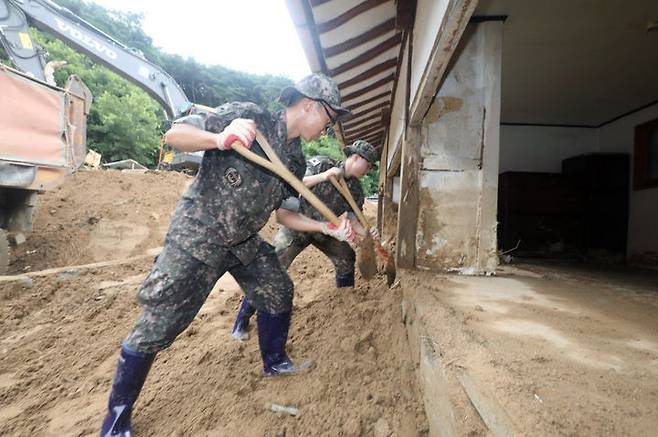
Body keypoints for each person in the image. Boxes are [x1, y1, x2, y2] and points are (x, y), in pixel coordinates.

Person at [100, 73, 354, 436]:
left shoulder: (295, 159)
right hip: (199, 236)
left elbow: (284, 214)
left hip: (244, 242)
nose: (326, 130)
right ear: (311, 105)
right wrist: (219, 138)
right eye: (328, 121)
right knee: (160, 323)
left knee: (277, 289)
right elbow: (174, 136)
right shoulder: (250, 118)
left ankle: (275, 362)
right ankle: (116, 421)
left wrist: (326, 228)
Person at [231, 140, 378, 341]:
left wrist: (369, 233)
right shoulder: (322, 165)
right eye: (368, 164)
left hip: (325, 231)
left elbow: (354, 220)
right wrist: (322, 177)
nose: (368, 170)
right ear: (355, 158)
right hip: (297, 226)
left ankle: (344, 304)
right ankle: (241, 321)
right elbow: (292, 181)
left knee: (347, 257)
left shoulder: (356, 190)